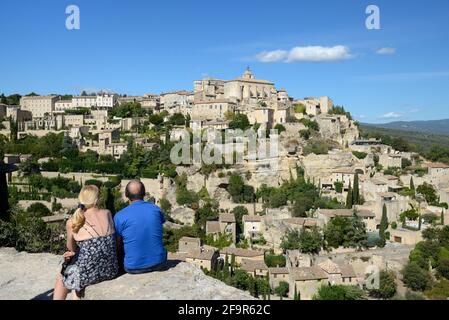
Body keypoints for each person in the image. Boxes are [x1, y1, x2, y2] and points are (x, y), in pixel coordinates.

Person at [53, 185, 118, 300]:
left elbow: (71, 248)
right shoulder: (107, 213)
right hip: (111, 269)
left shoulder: (72, 221)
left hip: (88, 274)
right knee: (75, 275)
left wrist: (73, 253)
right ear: (98, 199)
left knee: (62, 273)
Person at [114, 180, 167, 274]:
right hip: (159, 262)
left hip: (133, 267)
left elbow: (118, 245)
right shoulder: (156, 209)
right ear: (143, 193)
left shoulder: (119, 216)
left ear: (126, 195)